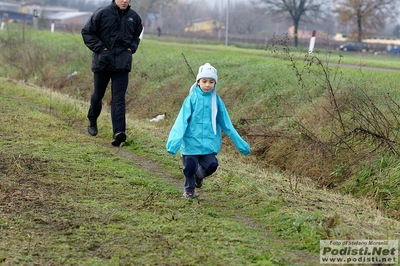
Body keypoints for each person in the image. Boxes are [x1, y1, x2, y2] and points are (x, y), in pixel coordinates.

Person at [166, 63, 251, 199]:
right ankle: (189, 189)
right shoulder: (191, 100)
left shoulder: (217, 101)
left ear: (215, 83)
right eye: (204, 81)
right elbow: (181, 122)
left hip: (209, 144)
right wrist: (173, 143)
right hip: (191, 143)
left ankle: (198, 177)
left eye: (211, 82)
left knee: (212, 165)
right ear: (198, 82)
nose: (207, 85)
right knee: (189, 167)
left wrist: (241, 145)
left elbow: (227, 125)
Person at [81, 0, 143, 146]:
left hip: (122, 64)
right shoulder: (102, 13)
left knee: (119, 98)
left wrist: (131, 48)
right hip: (103, 62)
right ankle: (92, 120)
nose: (124, 1)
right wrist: (101, 49)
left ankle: (118, 132)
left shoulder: (134, 17)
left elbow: (137, 36)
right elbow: (87, 32)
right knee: (98, 95)